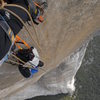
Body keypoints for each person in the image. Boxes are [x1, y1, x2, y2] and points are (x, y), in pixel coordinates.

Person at [0, 0, 48, 66]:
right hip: (4, 48)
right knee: (24, 8)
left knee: (24, 7)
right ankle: (35, 12)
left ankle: (34, 11)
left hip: (6, 34)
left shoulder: (35, 58)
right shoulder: (35, 61)